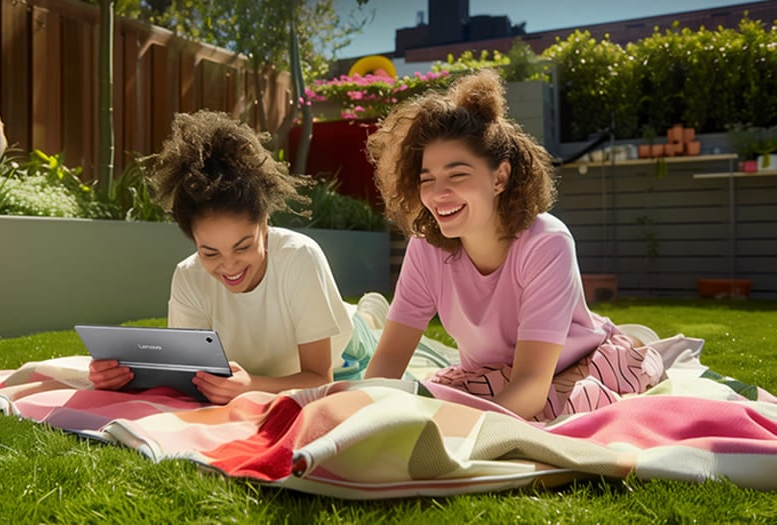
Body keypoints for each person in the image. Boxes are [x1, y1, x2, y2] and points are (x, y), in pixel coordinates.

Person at [363, 69, 664, 421]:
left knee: (550, 413)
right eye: (427, 179)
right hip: (487, 376)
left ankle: (634, 342)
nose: (437, 193)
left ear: (500, 177)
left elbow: (531, 387)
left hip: (571, 364)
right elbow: (385, 366)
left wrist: (468, 437)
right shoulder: (425, 248)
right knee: (426, 405)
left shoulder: (546, 242)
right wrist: (366, 415)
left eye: (457, 174)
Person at [88, 110, 385, 404]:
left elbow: (320, 378)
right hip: (272, 365)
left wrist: (252, 385)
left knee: (372, 329)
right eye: (210, 252)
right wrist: (121, 376)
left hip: (345, 350)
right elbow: (186, 376)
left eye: (243, 247)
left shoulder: (299, 257)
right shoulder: (188, 276)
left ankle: (372, 311)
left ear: (265, 222)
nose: (229, 266)